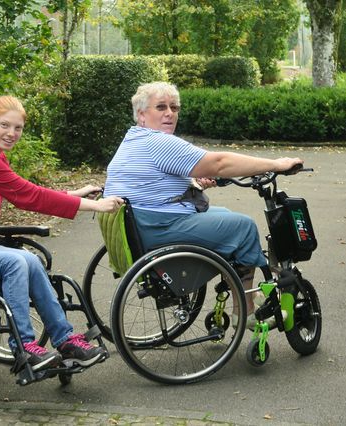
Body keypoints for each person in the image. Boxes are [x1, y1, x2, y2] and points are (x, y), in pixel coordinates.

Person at [0, 95, 124, 372]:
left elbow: (24, 192)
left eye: (18, 128)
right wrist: (95, 206)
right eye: (5, 125)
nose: (12, 133)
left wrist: (75, 195)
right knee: (15, 261)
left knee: (28, 259)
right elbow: (28, 196)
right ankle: (25, 348)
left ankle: (64, 339)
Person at [103, 82, 303, 329]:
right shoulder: (159, 143)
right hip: (159, 228)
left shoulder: (133, 139)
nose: (170, 113)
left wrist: (194, 184)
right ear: (142, 115)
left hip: (141, 227)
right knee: (243, 227)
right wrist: (275, 164)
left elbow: (153, 183)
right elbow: (218, 163)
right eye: (161, 107)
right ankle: (246, 312)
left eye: (174, 107)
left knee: (225, 215)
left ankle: (236, 283)